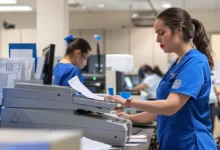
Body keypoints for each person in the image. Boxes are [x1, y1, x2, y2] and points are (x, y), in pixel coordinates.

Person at [105, 7, 217, 149]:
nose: (158, 39)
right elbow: (159, 112)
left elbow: (170, 106)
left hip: (191, 144)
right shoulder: (178, 63)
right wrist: (130, 118)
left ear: (178, 30)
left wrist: (129, 102)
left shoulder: (195, 62)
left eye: (161, 33)